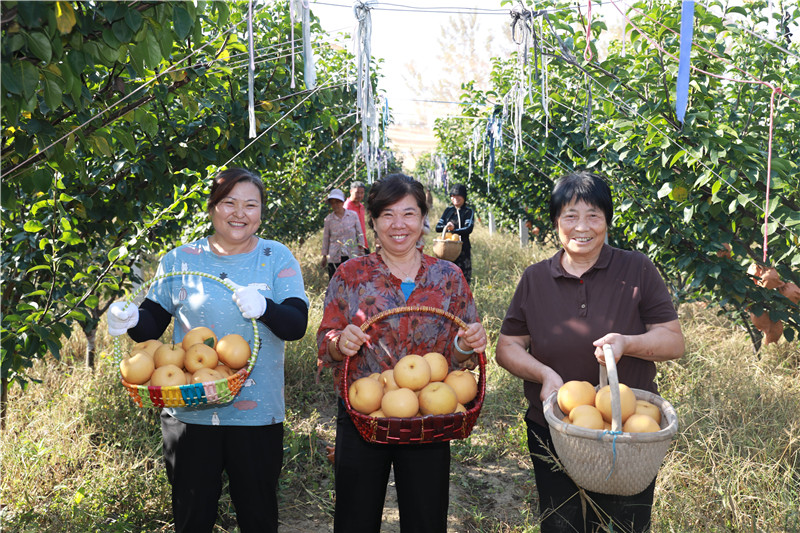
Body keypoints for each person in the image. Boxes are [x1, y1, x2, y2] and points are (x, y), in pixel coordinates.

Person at [106, 168, 309, 533]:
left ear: (261, 212)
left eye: (250, 204)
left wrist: (266, 307)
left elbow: (296, 324)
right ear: (212, 207)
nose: (239, 213)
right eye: (228, 202)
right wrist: (130, 318)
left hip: (257, 414)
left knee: (258, 515)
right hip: (190, 413)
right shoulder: (181, 259)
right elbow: (151, 323)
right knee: (192, 514)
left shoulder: (275, 257)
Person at [494, 170, 685, 533]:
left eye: (594, 215)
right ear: (555, 223)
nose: (582, 226)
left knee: (620, 525)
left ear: (608, 221)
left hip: (627, 433)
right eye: (570, 215)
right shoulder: (535, 278)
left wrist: (629, 343)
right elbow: (508, 346)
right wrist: (545, 375)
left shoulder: (637, 269)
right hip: (553, 425)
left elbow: (673, 340)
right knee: (560, 522)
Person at [316, 173, 488, 533]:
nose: (399, 225)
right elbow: (325, 342)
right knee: (354, 519)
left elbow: (459, 358)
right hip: (365, 415)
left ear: (423, 219)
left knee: (425, 520)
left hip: (430, 415)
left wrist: (465, 344)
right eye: (388, 214)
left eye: (409, 214)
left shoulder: (448, 277)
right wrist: (338, 343)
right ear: (373, 220)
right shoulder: (351, 275)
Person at [434, 183, 475, 284]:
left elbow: (468, 228)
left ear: (464, 197)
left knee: (463, 278)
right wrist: (446, 227)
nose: (455, 198)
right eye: (453, 195)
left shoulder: (468, 211)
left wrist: (453, 230)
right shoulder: (448, 211)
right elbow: (438, 228)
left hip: (463, 250)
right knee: (447, 278)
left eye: (458, 195)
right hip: (447, 251)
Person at [321, 188, 365, 278]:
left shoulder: (353, 215)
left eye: (337, 202)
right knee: (336, 283)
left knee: (352, 281)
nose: (335, 205)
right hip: (335, 257)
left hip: (352, 254)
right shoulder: (328, 219)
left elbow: (359, 233)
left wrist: (361, 251)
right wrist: (324, 256)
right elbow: (326, 238)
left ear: (342, 202)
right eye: (332, 203)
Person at [344, 180, 369, 253]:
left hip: (363, 244)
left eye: (362, 193)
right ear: (351, 192)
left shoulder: (361, 206)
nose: (360, 195)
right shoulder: (346, 208)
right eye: (357, 192)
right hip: (353, 247)